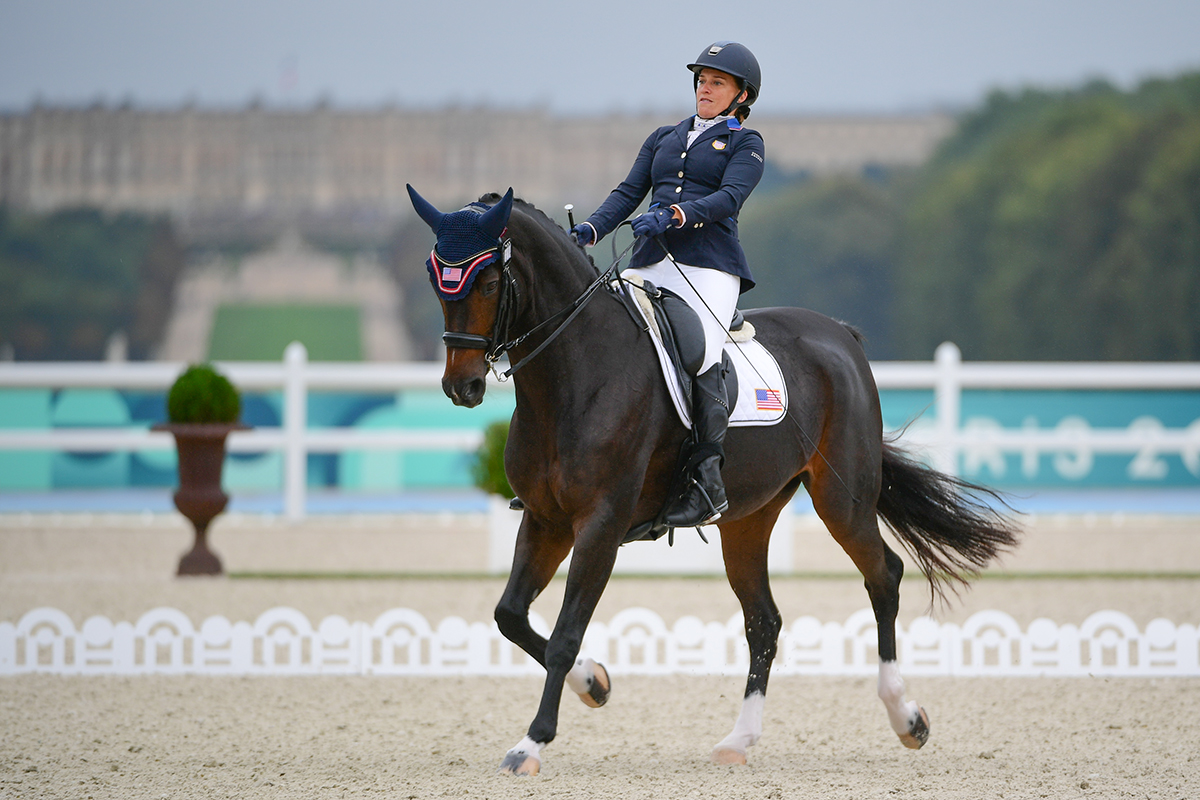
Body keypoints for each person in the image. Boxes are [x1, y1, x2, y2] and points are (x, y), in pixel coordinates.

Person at [570, 41, 764, 528]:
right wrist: (589, 230)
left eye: (717, 81)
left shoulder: (746, 143)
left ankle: (706, 476)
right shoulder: (663, 137)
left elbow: (729, 198)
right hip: (650, 261)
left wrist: (677, 213)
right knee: (598, 331)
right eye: (702, 79)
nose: (705, 87)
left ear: (742, 95)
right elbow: (628, 193)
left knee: (702, 354)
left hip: (709, 267)